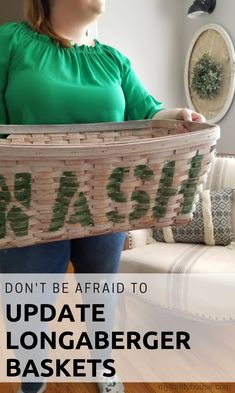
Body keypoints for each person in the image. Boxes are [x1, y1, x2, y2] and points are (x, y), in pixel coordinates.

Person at [0, 0, 206, 392]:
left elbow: (147, 112)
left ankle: (101, 364)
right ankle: (32, 373)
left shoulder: (114, 60)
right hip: (26, 205)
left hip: (104, 203)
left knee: (101, 294)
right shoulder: (10, 41)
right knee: (26, 304)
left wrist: (178, 114)